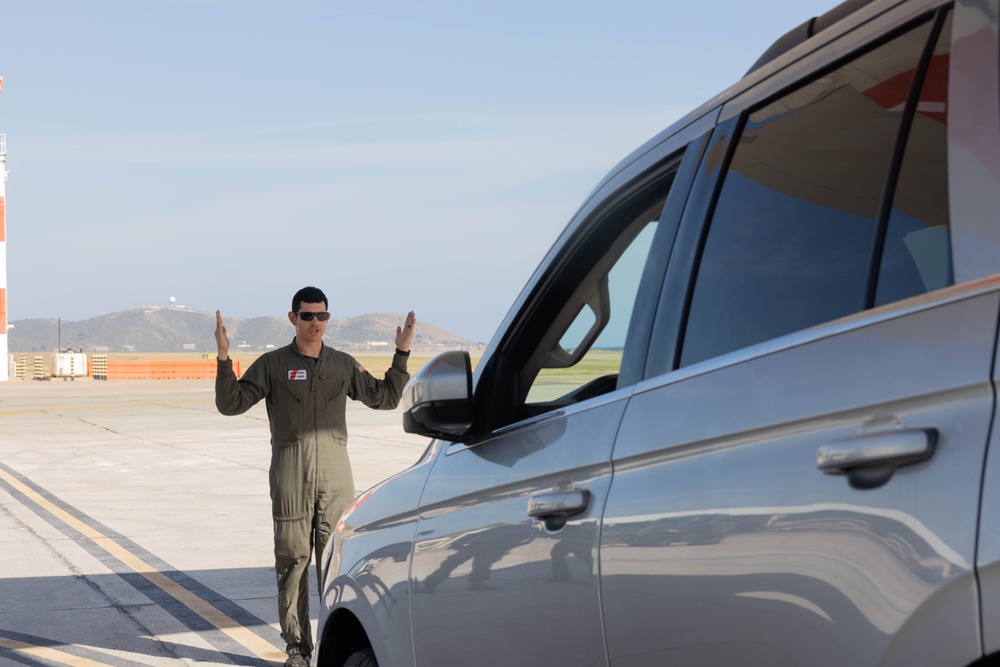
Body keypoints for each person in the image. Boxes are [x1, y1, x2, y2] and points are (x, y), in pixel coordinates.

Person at [214, 286, 415, 667]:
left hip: (336, 472)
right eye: (307, 316)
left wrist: (401, 352)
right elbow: (231, 403)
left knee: (337, 561)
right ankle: (297, 649)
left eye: (321, 316)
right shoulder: (273, 364)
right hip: (291, 471)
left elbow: (384, 397)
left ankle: (336, 644)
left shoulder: (342, 363)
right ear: (293, 319)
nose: (315, 323)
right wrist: (224, 358)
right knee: (292, 559)